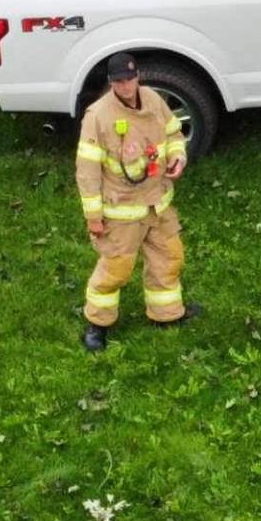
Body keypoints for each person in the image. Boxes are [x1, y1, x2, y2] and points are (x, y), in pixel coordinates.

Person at [74, 53, 200, 351]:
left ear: (138, 76)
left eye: (130, 79)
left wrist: (177, 157)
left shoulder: (154, 100)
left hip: (158, 203)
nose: (126, 86)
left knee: (169, 257)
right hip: (122, 210)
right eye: (119, 81)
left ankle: (166, 314)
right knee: (115, 268)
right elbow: (87, 171)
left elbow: (173, 134)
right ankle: (97, 325)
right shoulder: (98, 116)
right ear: (111, 82)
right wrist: (93, 216)